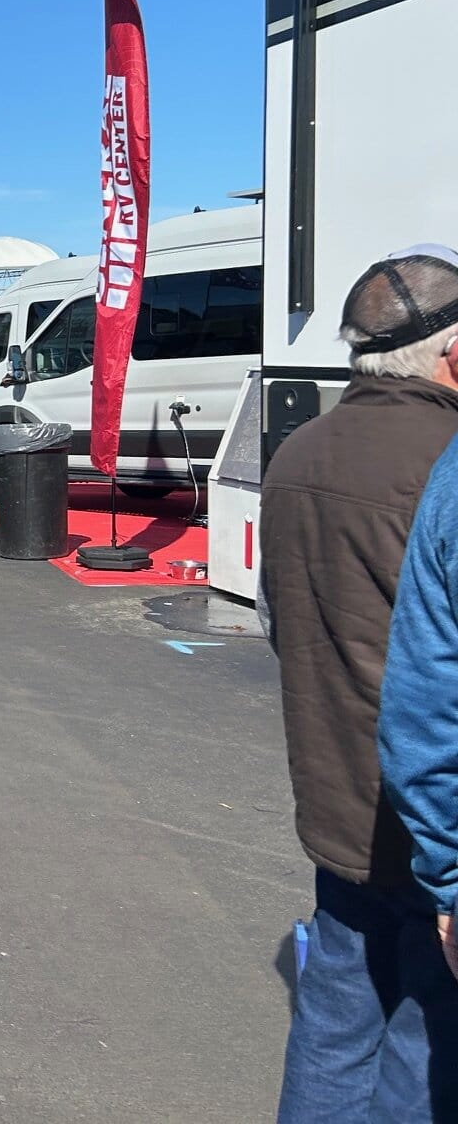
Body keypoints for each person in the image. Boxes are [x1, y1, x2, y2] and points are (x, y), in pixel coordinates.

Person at [264, 248, 458, 1121]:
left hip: (335, 793)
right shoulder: (442, 463)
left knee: (336, 1024)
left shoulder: (301, 449)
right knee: (425, 1042)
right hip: (431, 817)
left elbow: (280, 622)